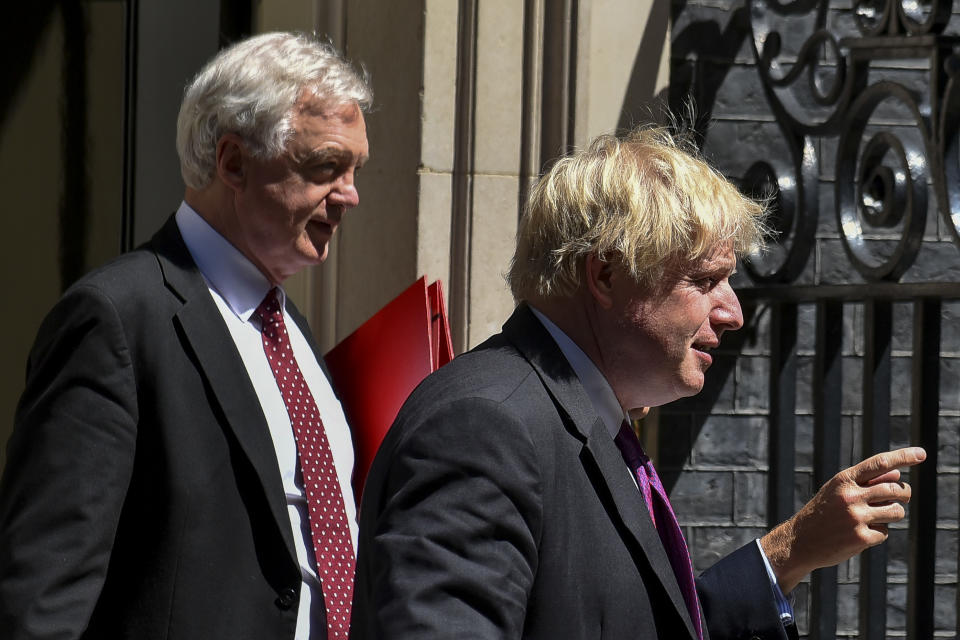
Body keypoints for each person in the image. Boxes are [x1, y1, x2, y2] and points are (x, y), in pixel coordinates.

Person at [350, 127, 924, 639]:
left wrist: (785, 554)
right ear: (604, 273)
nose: (732, 312)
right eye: (705, 280)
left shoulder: (586, 419)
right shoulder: (485, 427)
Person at [0, 32, 370, 640]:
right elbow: (45, 593)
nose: (350, 194)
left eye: (355, 169)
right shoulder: (116, 318)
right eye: (326, 166)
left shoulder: (291, 330)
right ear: (232, 162)